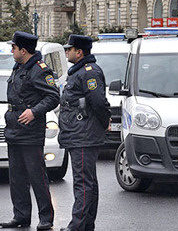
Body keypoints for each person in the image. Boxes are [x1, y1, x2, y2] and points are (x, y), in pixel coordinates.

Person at [0, 31, 60, 230]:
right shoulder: (19, 67)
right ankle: (21, 216)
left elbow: (53, 97)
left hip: (31, 131)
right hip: (14, 129)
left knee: (37, 177)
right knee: (16, 178)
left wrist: (34, 112)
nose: (11, 51)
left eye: (14, 48)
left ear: (23, 50)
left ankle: (46, 218)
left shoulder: (39, 69)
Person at [58, 35, 111, 231]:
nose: (66, 52)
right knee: (87, 181)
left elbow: (98, 102)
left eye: (69, 49)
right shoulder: (78, 71)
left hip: (83, 135)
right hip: (79, 133)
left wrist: (105, 122)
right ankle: (86, 224)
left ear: (79, 52)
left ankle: (78, 225)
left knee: (82, 182)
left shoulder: (89, 73)